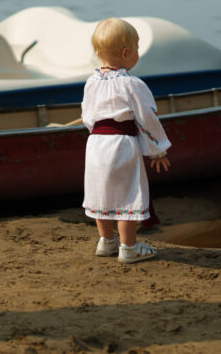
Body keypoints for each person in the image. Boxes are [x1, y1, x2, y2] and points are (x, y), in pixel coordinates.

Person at [81, 18, 171, 263]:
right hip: (121, 144)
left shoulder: (91, 82)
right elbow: (147, 118)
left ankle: (106, 242)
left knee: (102, 191)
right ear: (126, 52)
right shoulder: (132, 84)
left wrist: (98, 135)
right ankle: (128, 249)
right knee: (128, 194)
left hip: (96, 144)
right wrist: (157, 150)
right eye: (137, 48)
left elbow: (87, 117)